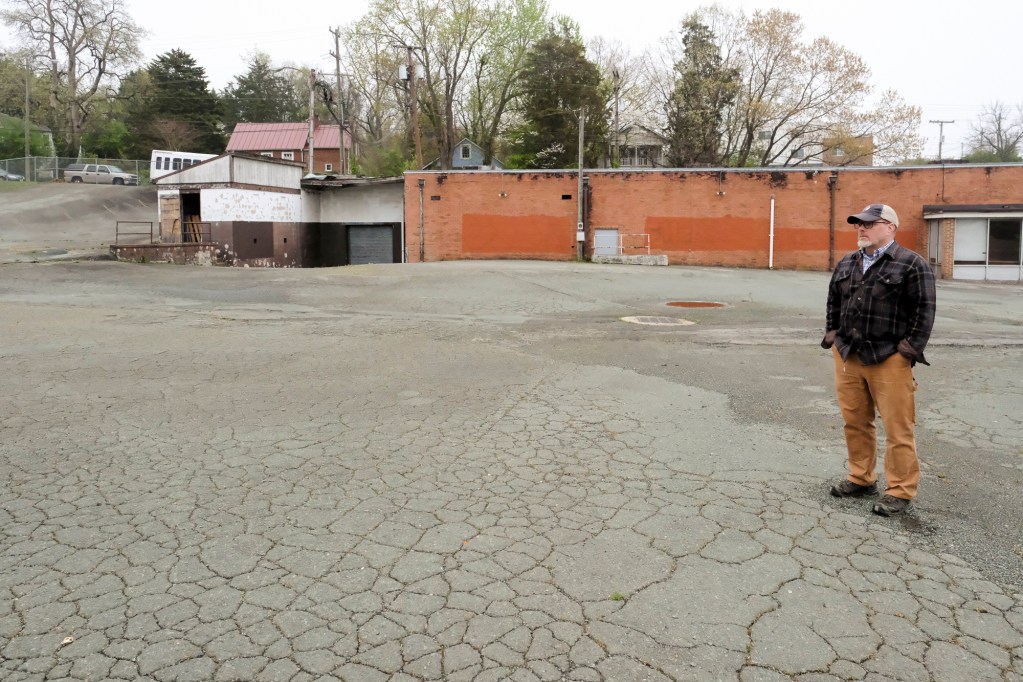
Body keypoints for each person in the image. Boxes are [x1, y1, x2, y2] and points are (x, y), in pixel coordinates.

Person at [821, 203, 936, 516]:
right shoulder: (847, 263)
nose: (862, 228)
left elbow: (924, 311)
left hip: (888, 358)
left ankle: (900, 490)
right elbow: (834, 300)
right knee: (855, 422)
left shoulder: (911, 264)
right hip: (849, 355)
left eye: (870, 224)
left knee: (899, 429)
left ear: (891, 228)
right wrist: (833, 336)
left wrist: (907, 352)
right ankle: (861, 478)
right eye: (859, 224)